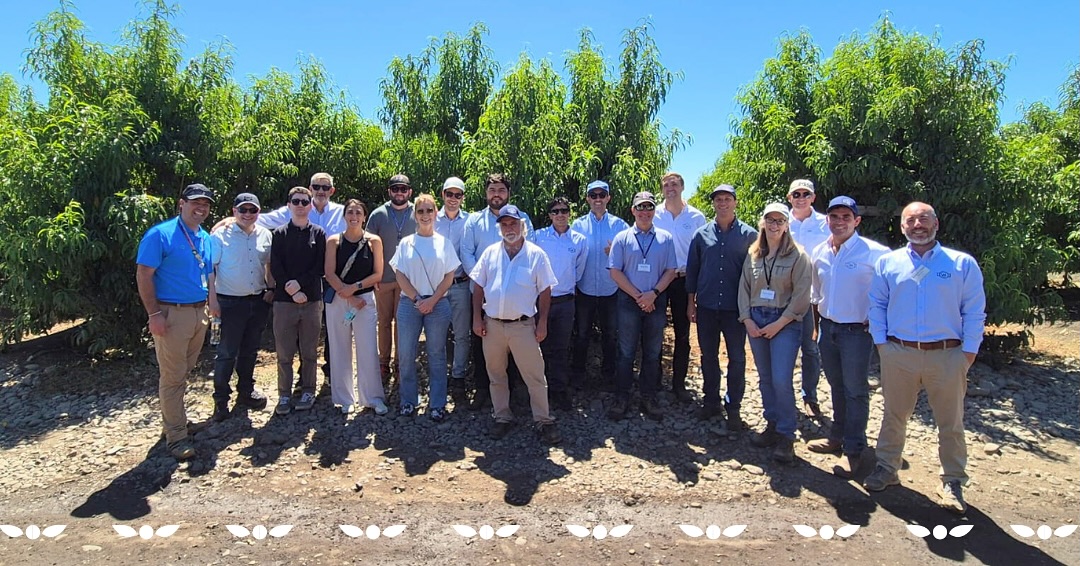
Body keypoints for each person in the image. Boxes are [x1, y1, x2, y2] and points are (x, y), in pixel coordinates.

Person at [863, 201, 986, 515]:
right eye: (910, 220)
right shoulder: (888, 263)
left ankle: (953, 481)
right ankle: (887, 468)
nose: (918, 225)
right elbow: (877, 304)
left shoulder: (961, 264)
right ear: (902, 227)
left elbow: (973, 311)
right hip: (898, 352)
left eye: (923, 219)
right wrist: (882, 344)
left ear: (936, 224)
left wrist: (969, 351)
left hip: (947, 354)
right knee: (894, 415)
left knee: (951, 422)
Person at [805, 196, 889, 477]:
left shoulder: (874, 253)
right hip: (828, 328)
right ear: (826, 219)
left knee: (855, 391)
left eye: (845, 217)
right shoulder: (820, 251)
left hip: (857, 332)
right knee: (836, 386)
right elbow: (816, 293)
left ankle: (854, 450)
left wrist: (876, 320)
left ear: (857, 221)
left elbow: (890, 291)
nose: (839, 222)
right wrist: (818, 326)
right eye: (834, 217)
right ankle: (837, 436)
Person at [135, 183, 218, 460]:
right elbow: (144, 275)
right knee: (172, 377)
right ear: (181, 203)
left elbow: (208, 275)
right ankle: (176, 438)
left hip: (198, 313)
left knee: (183, 372)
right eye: (195, 202)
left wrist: (211, 304)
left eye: (205, 204)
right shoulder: (160, 235)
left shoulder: (204, 237)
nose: (201, 208)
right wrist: (154, 314)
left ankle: (174, 423)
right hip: (171, 314)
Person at [470, 205, 561, 444]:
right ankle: (502, 417)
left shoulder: (536, 255)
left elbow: (545, 291)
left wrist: (542, 323)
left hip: (523, 327)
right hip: (493, 326)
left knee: (535, 376)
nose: (509, 228)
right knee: (496, 375)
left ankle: (543, 420)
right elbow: (478, 287)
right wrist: (477, 318)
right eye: (505, 224)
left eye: (513, 224)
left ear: (522, 226)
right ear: (499, 228)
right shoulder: (490, 253)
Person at [738, 203, 812, 463]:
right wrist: (746, 319)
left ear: (787, 224)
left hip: (785, 322)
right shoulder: (754, 254)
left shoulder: (798, 255)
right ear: (763, 222)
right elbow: (744, 288)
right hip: (757, 320)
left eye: (780, 220)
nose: (774, 225)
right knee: (766, 378)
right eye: (770, 219)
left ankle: (786, 435)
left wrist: (779, 324)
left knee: (782, 379)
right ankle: (771, 425)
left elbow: (802, 296)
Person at [686, 184, 758, 432]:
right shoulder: (701, 235)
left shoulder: (750, 236)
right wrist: (690, 303)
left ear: (735, 202)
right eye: (718, 200)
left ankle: (734, 406)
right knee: (709, 357)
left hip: (736, 309)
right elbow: (693, 271)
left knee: (737, 358)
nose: (723, 203)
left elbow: (756, 274)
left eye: (727, 199)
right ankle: (710, 401)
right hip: (706, 306)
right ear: (713, 204)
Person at [460, 173, 535, 410]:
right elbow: (466, 253)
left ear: (508, 193)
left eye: (501, 190)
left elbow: (530, 252)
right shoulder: (473, 221)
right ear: (486, 193)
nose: (496, 194)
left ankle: (514, 390)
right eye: (492, 190)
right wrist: (484, 282)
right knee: (482, 340)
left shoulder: (523, 219)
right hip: (482, 294)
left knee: (514, 343)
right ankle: (483, 389)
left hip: (515, 295)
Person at [607, 191, 677, 421]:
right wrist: (639, 296)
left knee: (652, 352)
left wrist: (653, 294)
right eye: (641, 207)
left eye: (649, 207)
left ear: (654, 211)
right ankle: (622, 397)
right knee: (626, 352)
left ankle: (649, 396)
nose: (645, 212)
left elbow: (670, 270)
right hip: (629, 301)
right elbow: (615, 271)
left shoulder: (665, 238)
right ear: (633, 211)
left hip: (655, 300)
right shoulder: (622, 238)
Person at [390, 194, 459, 421]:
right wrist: (417, 299)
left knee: (437, 355)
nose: (425, 215)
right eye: (421, 211)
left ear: (436, 213)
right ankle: (409, 400)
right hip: (409, 304)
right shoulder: (406, 243)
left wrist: (432, 300)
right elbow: (399, 273)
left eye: (429, 210)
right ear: (415, 214)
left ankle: (437, 403)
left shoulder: (444, 243)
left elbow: (450, 275)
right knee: (406, 354)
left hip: (438, 304)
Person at [209, 193, 274, 423]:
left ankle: (246, 392)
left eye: (252, 210)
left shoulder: (265, 235)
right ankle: (220, 400)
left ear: (258, 212)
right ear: (234, 211)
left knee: (250, 350)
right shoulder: (220, 235)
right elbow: (210, 269)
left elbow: (268, 266)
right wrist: (212, 300)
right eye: (243, 210)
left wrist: (271, 288)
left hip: (257, 301)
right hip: (229, 302)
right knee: (226, 353)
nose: (247, 214)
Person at [324, 199, 388, 416]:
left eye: (358, 212)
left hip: (365, 301)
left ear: (364, 216)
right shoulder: (334, 241)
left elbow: (378, 274)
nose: (354, 216)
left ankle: (372, 398)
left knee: (368, 348)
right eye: (350, 212)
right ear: (344, 216)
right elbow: (329, 273)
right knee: (339, 348)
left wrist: (355, 288)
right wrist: (349, 295)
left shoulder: (374, 242)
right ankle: (344, 399)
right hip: (340, 301)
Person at [270, 187, 326, 415]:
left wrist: (300, 287)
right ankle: (284, 394)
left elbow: (319, 267)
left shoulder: (319, 233)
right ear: (289, 204)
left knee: (309, 350)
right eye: (296, 201)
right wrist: (291, 289)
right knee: (284, 353)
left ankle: (308, 390)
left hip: (312, 300)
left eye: (305, 202)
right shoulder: (279, 234)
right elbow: (276, 266)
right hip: (284, 302)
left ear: (311, 206)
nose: (301, 205)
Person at [653, 172, 707, 402]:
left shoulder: (696, 217)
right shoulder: (653, 213)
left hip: (684, 281)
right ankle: (654, 383)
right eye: (666, 184)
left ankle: (679, 385)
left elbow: (702, 252)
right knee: (654, 332)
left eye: (674, 184)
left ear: (682, 187)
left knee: (682, 334)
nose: (670, 188)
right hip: (658, 281)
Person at [570, 180, 629, 388]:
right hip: (585, 288)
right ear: (587, 198)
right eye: (593, 195)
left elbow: (631, 254)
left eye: (601, 195)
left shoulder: (621, 226)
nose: (597, 199)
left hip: (610, 289)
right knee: (582, 334)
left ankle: (608, 375)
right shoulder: (577, 225)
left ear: (608, 198)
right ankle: (578, 374)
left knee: (610, 335)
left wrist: (616, 253)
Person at [533, 196, 587, 410]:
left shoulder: (579, 241)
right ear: (550, 215)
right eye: (555, 211)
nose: (560, 214)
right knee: (538, 346)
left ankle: (558, 390)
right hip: (540, 301)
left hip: (565, 302)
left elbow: (579, 271)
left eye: (564, 210)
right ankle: (539, 391)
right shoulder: (539, 237)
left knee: (561, 348)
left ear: (569, 213)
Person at [366, 174, 417, 381]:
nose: (399, 193)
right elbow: (367, 246)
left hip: (409, 281)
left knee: (403, 323)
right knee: (384, 322)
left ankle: (400, 362)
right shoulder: (378, 214)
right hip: (384, 279)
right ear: (389, 191)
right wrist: (372, 275)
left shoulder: (418, 212)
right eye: (395, 189)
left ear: (409, 192)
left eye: (403, 189)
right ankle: (383, 362)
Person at [787, 179, 828, 419]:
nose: (801, 197)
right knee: (785, 348)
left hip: (813, 297)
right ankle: (785, 397)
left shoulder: (825, 223)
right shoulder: (781, 220)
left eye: (806, 194)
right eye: (796, 194)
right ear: (789, 197)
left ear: (813, 197)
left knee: (811, 348)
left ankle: (809, 395)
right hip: (784, 295)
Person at [435, 176, 472, 405]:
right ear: (443, 195)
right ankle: (439, 376)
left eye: (458, 195)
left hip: (460, 284)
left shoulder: (470, 221)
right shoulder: (429, 216)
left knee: (461, 335)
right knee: (436, 335)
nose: (453, 199)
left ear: (463, 198)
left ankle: (458, 377)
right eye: (450, 194)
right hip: (435, 287)